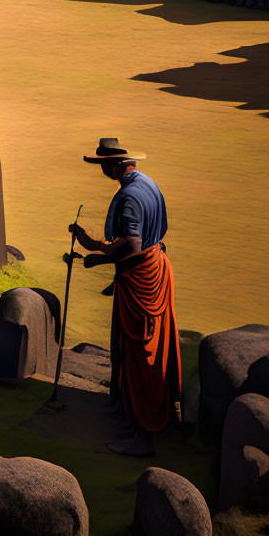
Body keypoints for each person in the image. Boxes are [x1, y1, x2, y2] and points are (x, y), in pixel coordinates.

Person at [69, 137, 182, 456]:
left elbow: (132, 244)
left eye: (105, 165)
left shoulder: (129, 195)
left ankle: (142, 435)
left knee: (140, 353)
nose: (103, 170)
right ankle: (127, 409)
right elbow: (151, 234)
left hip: (140, 280)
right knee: (145, 345)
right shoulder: (149, 183)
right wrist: (93, 244)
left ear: (118, 164)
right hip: (156, 269)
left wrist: (98, 256)